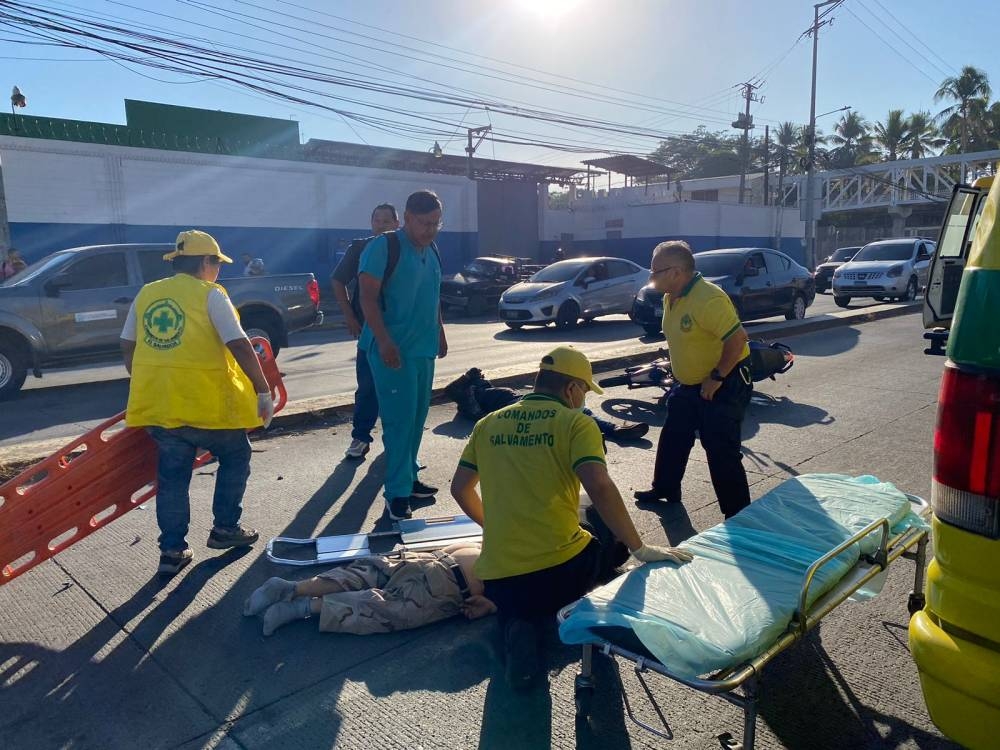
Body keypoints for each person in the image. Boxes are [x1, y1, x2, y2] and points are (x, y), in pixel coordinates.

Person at [450, 345, 694, 689]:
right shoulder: (576, 423)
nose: (583, 400)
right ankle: (588, 608)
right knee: (600, 524)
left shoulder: (488, 424)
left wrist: (496, 528)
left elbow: (460, 489)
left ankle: (519, 623)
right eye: (584, 391)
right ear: (571, 389)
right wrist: (640, 547)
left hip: (501, 583)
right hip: (560, 576)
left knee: (524, 594)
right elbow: (599, 485)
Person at [120, 230, 275, 576]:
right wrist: (262, 390)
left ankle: (172, 552)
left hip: (160, 407)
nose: (218, 270)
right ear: (206, 262)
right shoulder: (211, 295)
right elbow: (238, 343)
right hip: (206, 408)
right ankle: (225, 528)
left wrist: (145, 377)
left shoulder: (148, 294)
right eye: (217, 263)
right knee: (236, 455)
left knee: (173, 478)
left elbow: (127, 344)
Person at [633, 240, 753, 519]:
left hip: (724, 381)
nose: (651, 277)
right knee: (674, 436)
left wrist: (717, 377)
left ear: (676, 272)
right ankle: (666, 488)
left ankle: (738, 518)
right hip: (689, 384)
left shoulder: (708, 297)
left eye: (655, 271)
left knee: (720, 449)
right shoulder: (670, 296)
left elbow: (737, 340)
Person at [358, 190, 447, 521]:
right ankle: (396, 495)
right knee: (398, 421)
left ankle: (408, 479)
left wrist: (440, 332)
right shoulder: (383, 247)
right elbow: (367, 298)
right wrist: (383, 340)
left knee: (417, 418)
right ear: (407, 218)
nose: (431, 230)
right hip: (391, 350)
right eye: (425, 223)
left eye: (436, 223)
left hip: (422, 348)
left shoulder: (431, 249)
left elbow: (432, 295)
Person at [242, 542, 495, 636]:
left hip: (429, 558)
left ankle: (293, 589)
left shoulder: (490, 538)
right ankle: (301, 606)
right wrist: (492, 605)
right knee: (381, 608)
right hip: (448, 586)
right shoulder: (524, 561)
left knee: (366, 572)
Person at [330, 203, 400, 460]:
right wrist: (349, 314)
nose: (381, 224)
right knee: (368, 387)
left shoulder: (406, 249)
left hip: (401, 331)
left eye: (386, 220)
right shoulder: (360, 248)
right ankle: (361, 438)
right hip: (370, 332)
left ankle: (398, 442)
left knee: (399, 389)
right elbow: (338, 280)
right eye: (377, 220)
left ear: (397, 224)